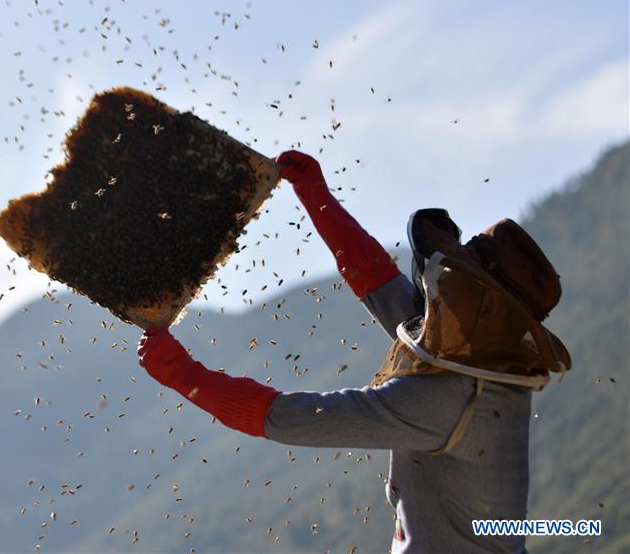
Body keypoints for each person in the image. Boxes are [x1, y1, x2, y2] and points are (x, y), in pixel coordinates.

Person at [136, 150, 571, 553]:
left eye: (457, 275)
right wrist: (318, 200)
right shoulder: (474, 354)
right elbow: (381, 284)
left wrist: (183, 375)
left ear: (482, 303)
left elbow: (291, 419)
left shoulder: (450, 396)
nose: (441, 282)